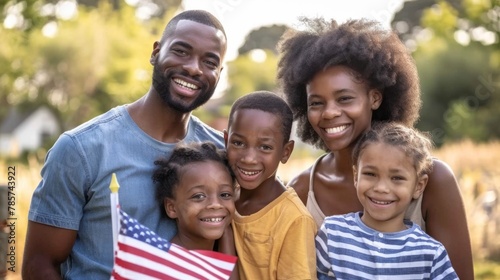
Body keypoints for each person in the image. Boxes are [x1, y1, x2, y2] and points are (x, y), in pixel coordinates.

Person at [22, 10, 228, 279]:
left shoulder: (222, 155)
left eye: (210, 61)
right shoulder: (81, 149)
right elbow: (40, 265)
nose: (193, 67)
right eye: (181, 51)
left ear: (219, 73)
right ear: (156, 52)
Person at [277, 18, 473, 279]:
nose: (330, 113)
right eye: (316, 103)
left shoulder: (434, 179)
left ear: (375, 98)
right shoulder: (301, 190)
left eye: (344, 98)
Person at [316, 122, 459, 279]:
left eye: (397, 178)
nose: (381, 188)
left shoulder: (430, 254)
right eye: (370, 174)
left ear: (419, 186)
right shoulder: (332, 233)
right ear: (356, 176)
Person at [224, 91, 317, 280]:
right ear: (226, 141)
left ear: (285, 152)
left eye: (265, 147)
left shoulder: (294, 220)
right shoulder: (222, 199)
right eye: (238, 143)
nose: (249, 158)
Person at [153, 141, 238, 279]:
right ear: (171, 207)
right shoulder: (172, 267)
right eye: (198, 196)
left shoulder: (217, 250)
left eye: (225, 194)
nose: (215, 204)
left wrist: (226, 236)